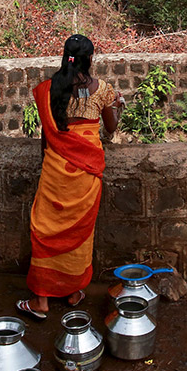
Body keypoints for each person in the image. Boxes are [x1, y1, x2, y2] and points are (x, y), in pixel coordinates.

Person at [17, 34, 124, 320]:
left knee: (44, 229)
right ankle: (74, 291)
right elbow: (110, 129)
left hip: (55, 169)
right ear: (90, 58)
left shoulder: (49, 89)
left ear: (66, 57)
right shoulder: (102, 89)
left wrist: (47, 162)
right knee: (80, 232)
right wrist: (118, 107)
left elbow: (46, 134)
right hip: (87, 171)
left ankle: (41, 300)